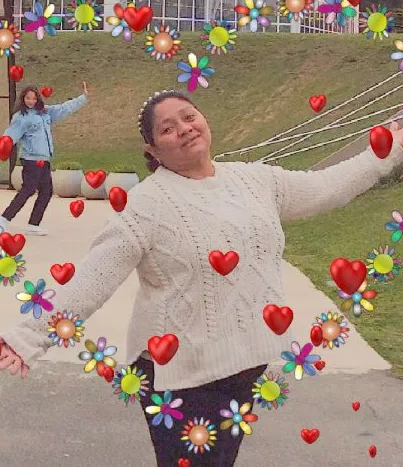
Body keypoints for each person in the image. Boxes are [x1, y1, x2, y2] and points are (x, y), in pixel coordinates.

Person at [0, 89, 402, 466]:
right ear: (152, 149)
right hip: (178, 376)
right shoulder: (146, 205)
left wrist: (388, 150)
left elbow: (326, 187)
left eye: (189, 117)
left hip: (244, 363)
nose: (185, 128)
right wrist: (27, 337)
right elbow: (92, 279)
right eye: (168, 128)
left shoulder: (255, 180)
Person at [0, 82, 89, 236]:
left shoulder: (45, 112)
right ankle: (4, 219)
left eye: (33, 98)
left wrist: (83, 98)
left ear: (38, 99)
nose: (31, 101)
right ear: (23, 99)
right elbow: (10, 135)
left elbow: (64, 108)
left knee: (47, 191)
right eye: (28, 98)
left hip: (44, 159)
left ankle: (33, 224)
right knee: (28, 189)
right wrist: (4, 146)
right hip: (30, 159)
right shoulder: (21, 117)